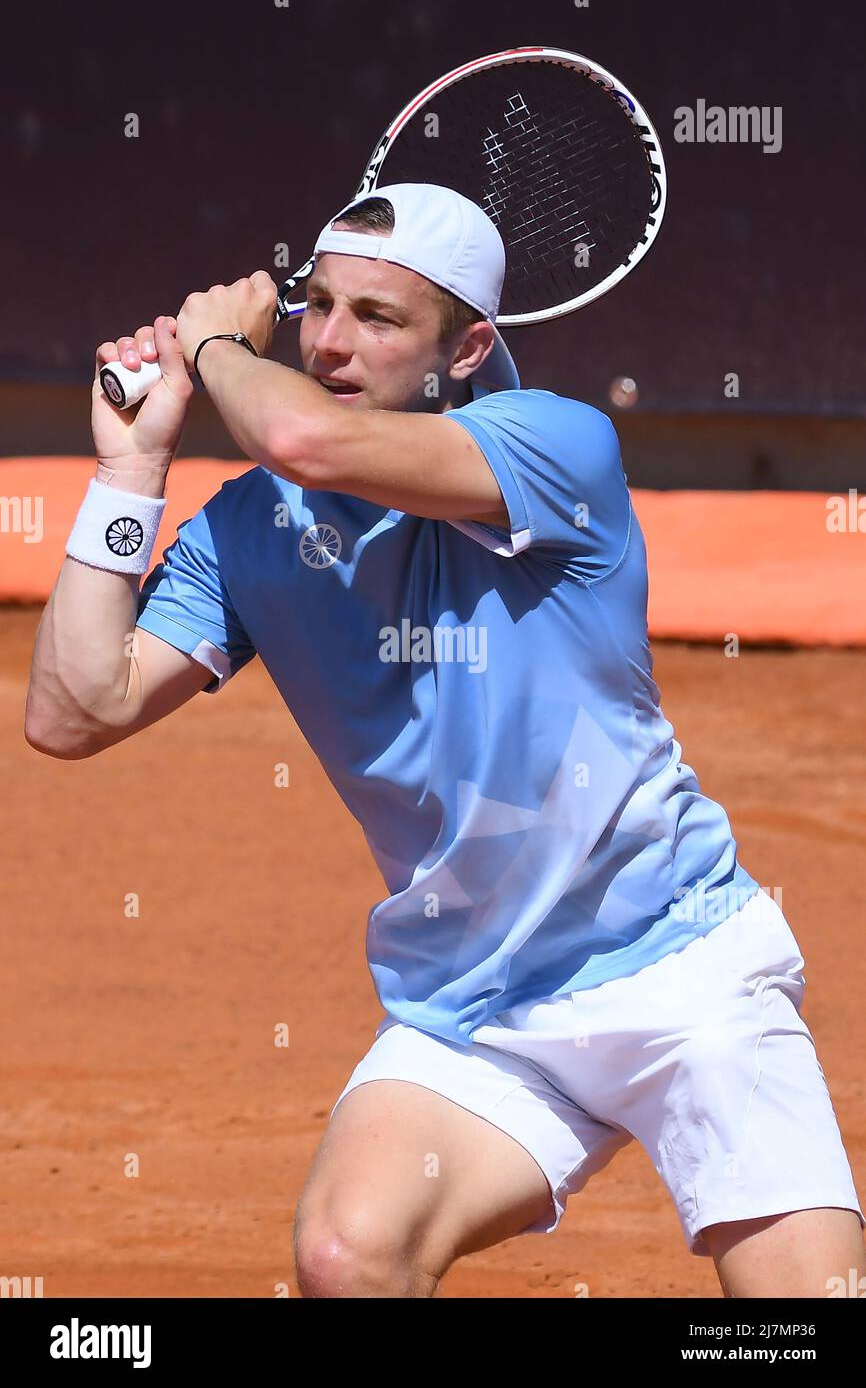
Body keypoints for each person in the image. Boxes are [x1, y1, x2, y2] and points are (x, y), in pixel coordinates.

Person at [26, 183, 865, 1299]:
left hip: (681, 975)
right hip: (473, 1007)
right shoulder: (253, 527)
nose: (329, 341)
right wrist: (130, 470)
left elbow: (301, 435)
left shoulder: (552, 446)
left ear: (465, 347)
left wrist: (217, 343)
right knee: (347, 1255)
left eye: (377, 318)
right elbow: (75, 710)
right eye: (318, 304)